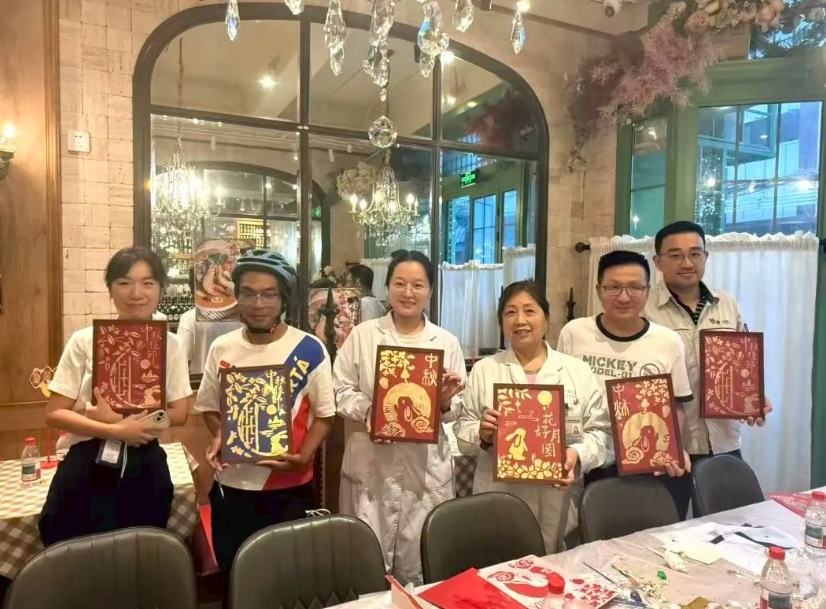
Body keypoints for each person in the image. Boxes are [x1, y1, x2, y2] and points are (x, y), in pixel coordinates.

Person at [39, 247, 192, 546]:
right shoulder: (84, 341)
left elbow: (179, 413)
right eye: (124, 282)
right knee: (72, 550)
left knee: (142, 552)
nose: (136, 293)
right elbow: (54, 412)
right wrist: (114, 429)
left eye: (148, 283)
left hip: (145, 462)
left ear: (160, 288)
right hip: (86, 462)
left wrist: (132, 424)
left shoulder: (171, 345)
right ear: (110, 289)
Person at [197, 250, 335, 573]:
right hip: (233, 486)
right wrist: (220, 434)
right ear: (237, 296)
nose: (258, 304)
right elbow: (208, 408)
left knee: (291, 578)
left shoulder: (310, 348)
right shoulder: (222, 347)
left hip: (290, 488)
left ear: (283, 298)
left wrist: (304, 456)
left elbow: (325, 415)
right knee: (235, 577)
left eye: (269, 294)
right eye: (248, 293)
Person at [334, 250, 466, 585]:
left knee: (420, 570)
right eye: (399, 284)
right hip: (372, 467)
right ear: (388, 287)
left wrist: (445, 401)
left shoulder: (446, 342)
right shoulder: (363, 335)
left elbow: (456, 409)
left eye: (418, 285)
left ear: (430, 290)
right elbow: (339, 389)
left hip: (425, 469)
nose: (408, 293)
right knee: (366, 571)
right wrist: (370, 410)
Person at [454, 280, 612, 553]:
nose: (520, 321)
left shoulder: (576, 371)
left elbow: (601, 434)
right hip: (499, 491)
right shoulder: (485, 369)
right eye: (510, 312)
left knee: (554, 564)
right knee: (499, 564)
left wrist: (577, 454)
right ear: (502, 322)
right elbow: (463, 430)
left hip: (558, 494)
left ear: (546, 319)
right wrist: (482, 433)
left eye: (529, 311)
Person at [644, 221, 772, 518]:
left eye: (695, 253)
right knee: (665, 529)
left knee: (727, 527)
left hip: (722, 441)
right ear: (658, 262)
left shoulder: (727, 304)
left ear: (706, 257)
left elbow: (742, 361)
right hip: (670, 446)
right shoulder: (644, 309)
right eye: (675, 255)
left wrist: (753, 397)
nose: (687, 263)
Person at [557, 250, 692, 487]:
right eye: (613, 287)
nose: (623, 297)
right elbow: (561, 395)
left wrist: (673, 447)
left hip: (645, 461)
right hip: (584, 457)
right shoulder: (574, 332)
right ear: (599, 290)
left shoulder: (668, 341)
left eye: (635, 288)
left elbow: (676, 405)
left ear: (647, 291)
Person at [178, 270, 243, 375]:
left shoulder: (189, 318)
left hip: (201, 379)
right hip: (237, 379)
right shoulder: (244, 316)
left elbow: (182, 360)